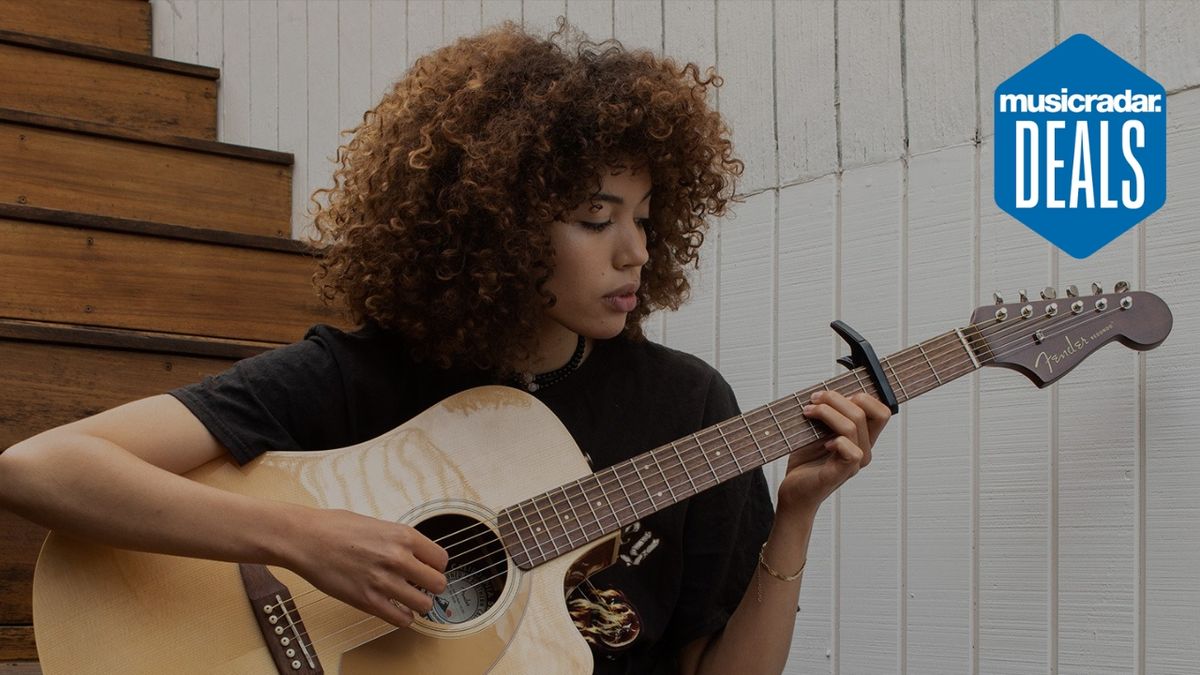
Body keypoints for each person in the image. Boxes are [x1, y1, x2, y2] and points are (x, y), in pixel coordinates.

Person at [0, 18, 889, 675]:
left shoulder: (689, 408)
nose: (635, 251)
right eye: (595, 218)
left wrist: (798, 512)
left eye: (647, 219)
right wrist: (309, 539)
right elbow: (40, 467)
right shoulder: (368, 372)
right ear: (494, 224)